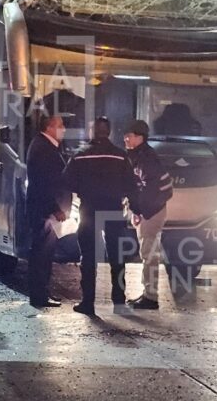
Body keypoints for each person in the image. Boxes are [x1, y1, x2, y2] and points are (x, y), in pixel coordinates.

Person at [62, 117, 138, 316]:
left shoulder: (79, 156)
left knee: (89, 257)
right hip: (113, 209)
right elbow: (131, 185)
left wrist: (85, 191)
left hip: (89, 210)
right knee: (117, 257)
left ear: (92, 132)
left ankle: (88, 303)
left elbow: (67, 182)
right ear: (109, 132)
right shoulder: (121, 156)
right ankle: (119, 302)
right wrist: (134, 207)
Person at [124, 120, 174, 310]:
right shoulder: (141, 155)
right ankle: (148, 294)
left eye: (129, 135)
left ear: (140, 137)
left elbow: (148, 189)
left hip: (151, 212)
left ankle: (151, 297)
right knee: (148, 253)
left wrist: (140, 211)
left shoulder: (146, 158)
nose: (126, 138)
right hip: (149, 211)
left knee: (149, 254)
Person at [26, 112, 69, 309]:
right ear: (49, 128)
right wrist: (55, 208)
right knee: (41, 255)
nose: (63, 129)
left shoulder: (46, 146)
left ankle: (41, 293)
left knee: (44, 255)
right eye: (60, 125)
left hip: (45, 210)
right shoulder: (43, 148)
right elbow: (43, 183)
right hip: (45, 211)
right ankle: (39, 295)